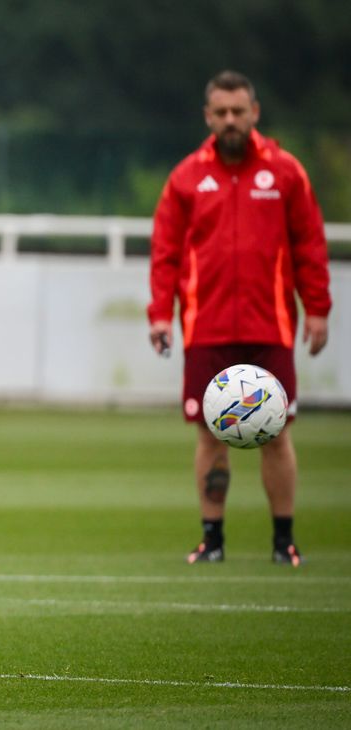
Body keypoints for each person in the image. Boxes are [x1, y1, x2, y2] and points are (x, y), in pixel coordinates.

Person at [148, 70, 331, 567]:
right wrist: (161, 314)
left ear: (255, 113)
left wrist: (317, 308)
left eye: (239, 111)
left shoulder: (287, 172)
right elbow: (165, 252)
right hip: (206, 327)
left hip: (269, 325)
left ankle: (283, 540)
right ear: (208, 117)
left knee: (275, 431)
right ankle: (212, 540)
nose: (231, 120)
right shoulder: (186, 177)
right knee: (210, 432)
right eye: (221, 112)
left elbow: (309, 245)